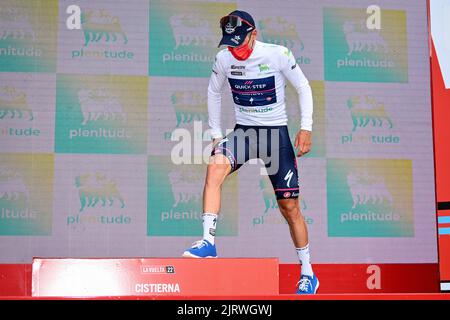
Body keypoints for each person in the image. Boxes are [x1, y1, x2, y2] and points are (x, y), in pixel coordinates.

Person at [182, 10, 319, 294]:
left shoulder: (278, 54)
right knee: (215, 167)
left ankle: (307, 271)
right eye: (230, 43)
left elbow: (303, 87)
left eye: (240, 42)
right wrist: (217, 136)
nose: (236, 49)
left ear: (253, 34)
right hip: (244, 132)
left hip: (275, 136)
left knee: (290, 208)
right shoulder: (223, 59)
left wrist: (305, 128)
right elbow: (213, 92)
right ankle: (208, 242)